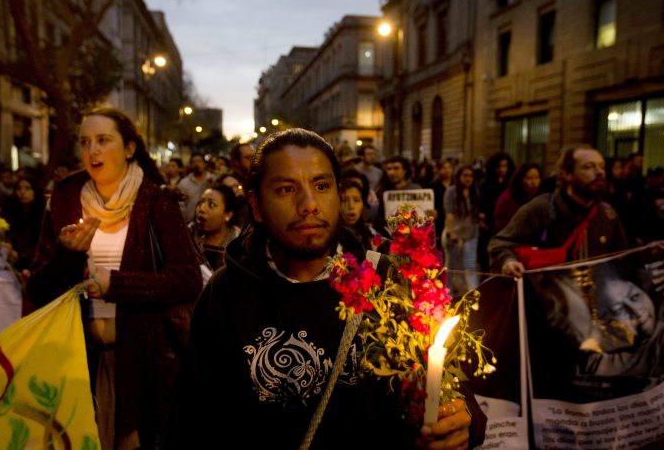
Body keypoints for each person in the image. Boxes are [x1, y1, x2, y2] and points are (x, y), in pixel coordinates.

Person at [168, 128, 485, 449]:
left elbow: (446, 383)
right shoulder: (225, 294)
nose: (309, 204)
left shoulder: (388, 282)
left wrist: (460, 422)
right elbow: (192, 420)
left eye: (321, 186)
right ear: (256, 205)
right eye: (286, 189)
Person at [27, 107, 202, 449]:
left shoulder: (156, 202)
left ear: (129, 148)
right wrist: (68, 254)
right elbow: (38, 288)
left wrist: (116, 284)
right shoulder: (64, 198)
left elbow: (186, 278)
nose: (92, 151)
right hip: (76, 358)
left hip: (141, 361)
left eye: (103, 140)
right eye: (85, 142)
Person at [489, 144, 628, 277]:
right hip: (546, 297)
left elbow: (622, 259)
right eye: (588, 167)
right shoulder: (542, 208)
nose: (599, 173)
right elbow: (499, 245)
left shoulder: (607, 214)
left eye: (602, 167)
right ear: (566, 174)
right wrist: (508, 261)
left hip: (595, 297)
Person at [443, 165, 480, 295]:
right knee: (451, 266)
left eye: (470, 176)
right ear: (458, 177)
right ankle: (448, 294)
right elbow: (449, 214)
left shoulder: (474, 191)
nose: (468, 179)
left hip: (471, 234)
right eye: (465, 175)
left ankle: (473, 295)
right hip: (454, 234)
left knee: (470, 265)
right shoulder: (451, 191)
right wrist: (452, 232)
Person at [477, 153, 514, 279]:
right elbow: (481, 204)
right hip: (489, 226)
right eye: (499, 166)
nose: (502, 169)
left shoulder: (511, 183)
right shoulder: (485, 183)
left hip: (505, 226)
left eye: (505, 166)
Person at [189, 183, 241, 270]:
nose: (202, 209)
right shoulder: (188, 235)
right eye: (201, 202)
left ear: (227, 215)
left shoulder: (239, 243)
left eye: (212, 205)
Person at [4, 175, 46, 272]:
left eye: (28, 188)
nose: (22, 192)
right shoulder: (11, 212)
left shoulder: (43, 214)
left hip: (36, 263)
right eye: (19, 188)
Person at [493, 162, 542, 232]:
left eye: (537, 177)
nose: (534, 182)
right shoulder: (507, 199)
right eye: (529, 178)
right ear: (520, 179)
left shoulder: (540, 197)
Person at [339, 177, 375, 250]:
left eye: (357, 200)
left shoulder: (371, 233)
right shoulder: (329, 239)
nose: (351, 206)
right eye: (344, 200)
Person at [177, 153, 213, 224]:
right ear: (190, 165)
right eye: (194, 162)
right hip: (189, 223)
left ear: (205, 164)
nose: (197, 164)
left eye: (199, 161)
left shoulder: (213, 180)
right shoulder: (184, 183)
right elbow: (180, 205)